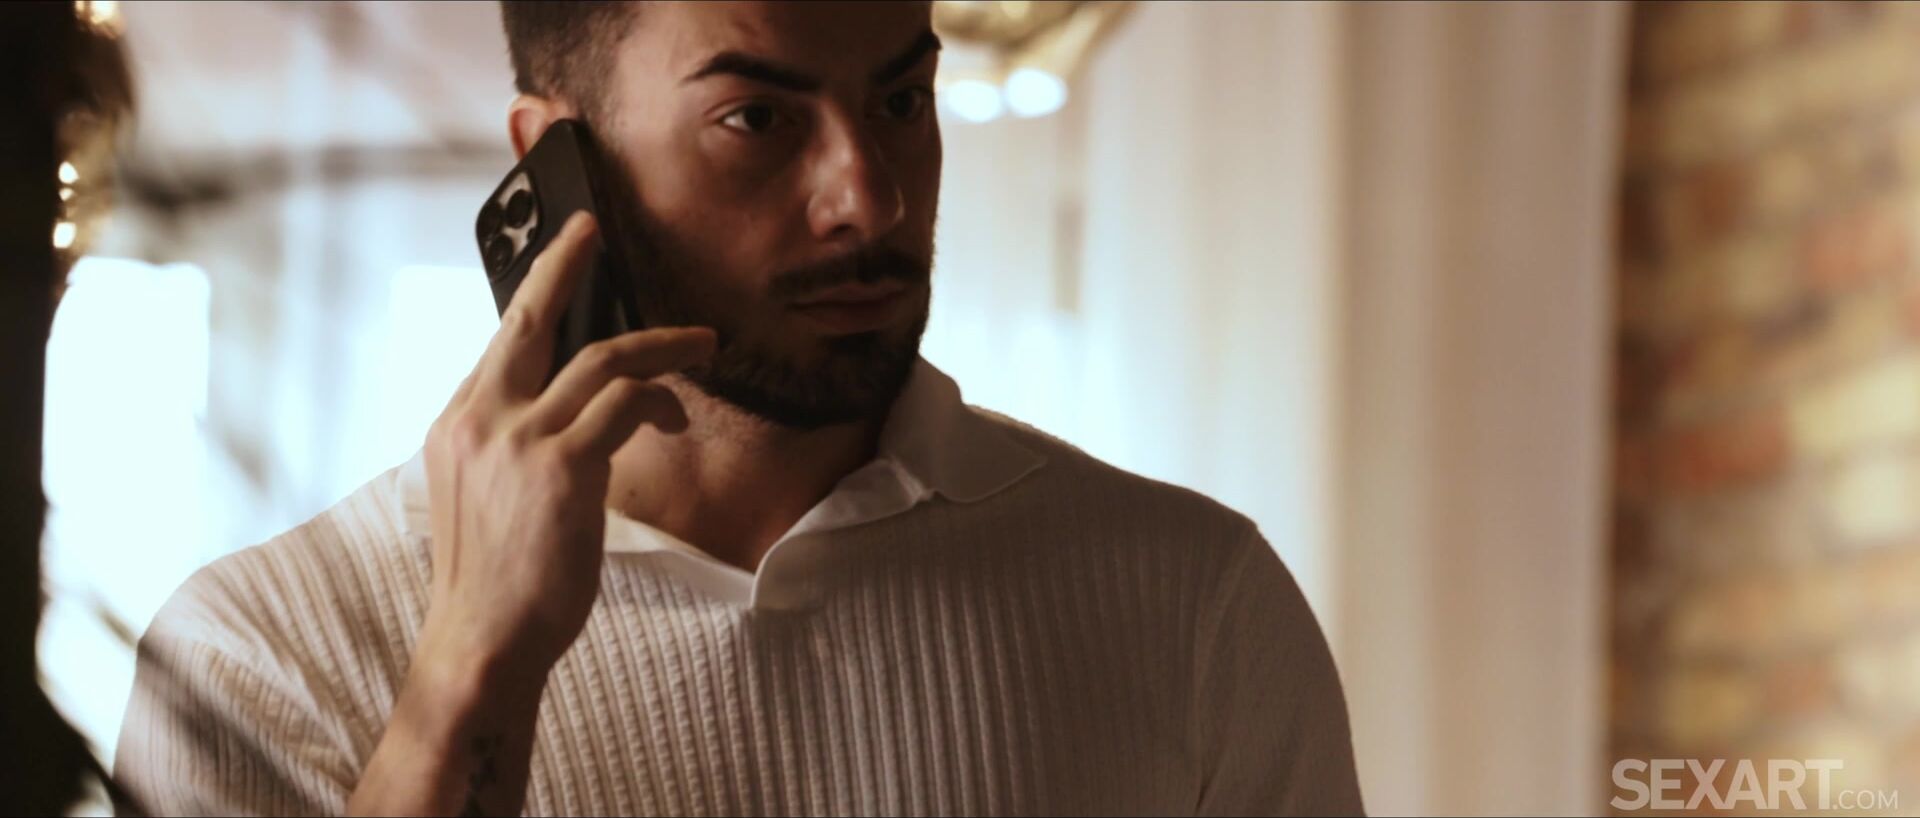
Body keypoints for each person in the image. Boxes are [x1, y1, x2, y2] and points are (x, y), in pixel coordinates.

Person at [114, 2, 1363, 815]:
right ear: (557, 162)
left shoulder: (1195, 602)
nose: (868, 200)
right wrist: (467, 671)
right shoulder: (250, 656)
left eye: (900, 101)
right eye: (756, 118)